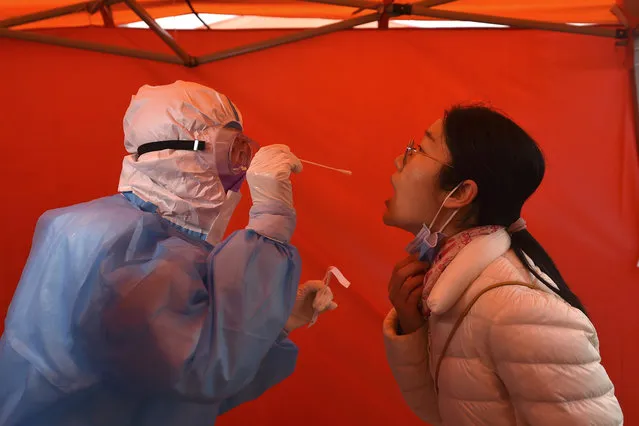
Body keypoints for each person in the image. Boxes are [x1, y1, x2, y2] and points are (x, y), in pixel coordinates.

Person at [0, 80, 336, 426]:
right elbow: (201, 373)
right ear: (184, 152)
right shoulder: (133, 252)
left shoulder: (98, 226)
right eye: (233, 149)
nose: (242, 166)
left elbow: (183, 396)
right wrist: (270, 223)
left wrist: (274, 324)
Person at [382, 104, 623, 425]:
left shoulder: (519, 309)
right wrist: (413, 328)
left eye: (417, 151)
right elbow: (444, 412)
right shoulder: (451, 288)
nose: (399, 161)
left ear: (461, 192)